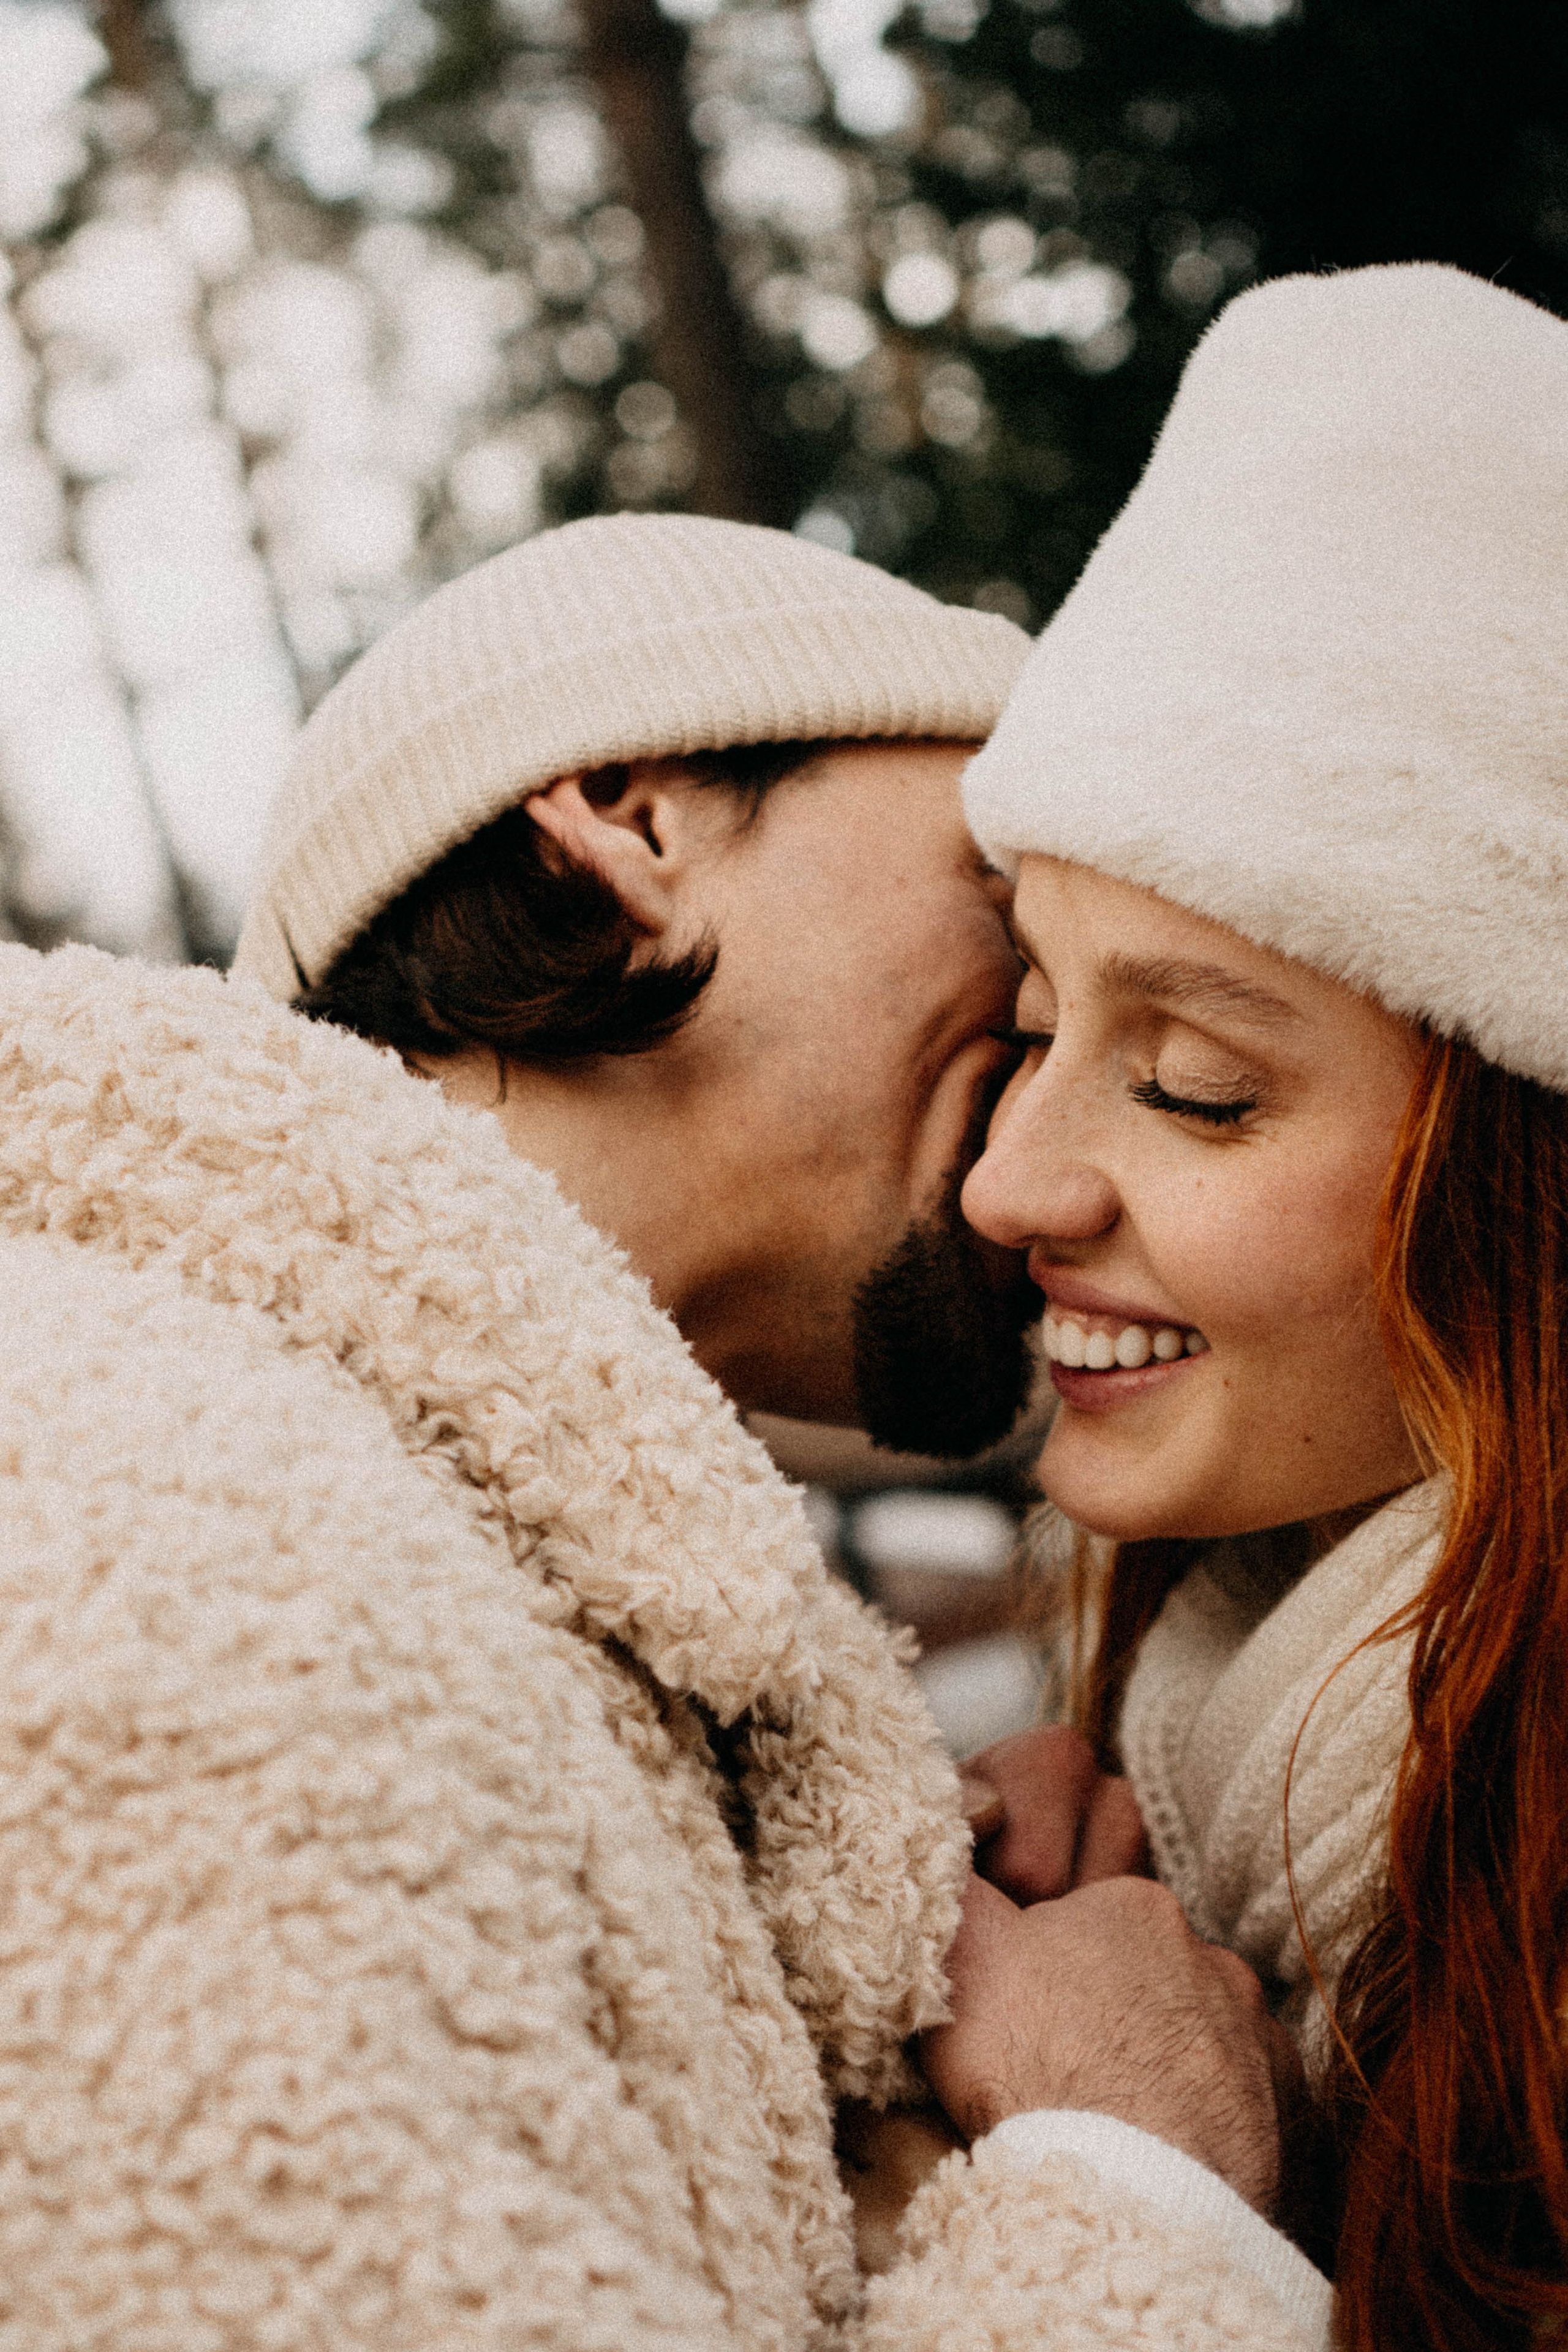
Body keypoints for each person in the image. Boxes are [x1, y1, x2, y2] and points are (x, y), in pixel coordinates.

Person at [0, 516, 1305, 2348]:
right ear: (631, 821)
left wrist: (902, 2072)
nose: (1051, 1031)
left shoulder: (415, 1566)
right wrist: (1133, 2178)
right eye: (1005, 895)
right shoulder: (144, 1556)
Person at [948, 261, 1568, 2349]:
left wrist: (1136, 2185)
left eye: (1195, 1083)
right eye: (1029, 1023)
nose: (1008, 1181)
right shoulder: (1258, 1784)